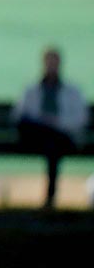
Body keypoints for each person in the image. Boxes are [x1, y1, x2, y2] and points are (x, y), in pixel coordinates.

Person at [12, 46, 87, 208]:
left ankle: (50, 199)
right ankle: (50, 199)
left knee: (53, 145)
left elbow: (80, 119)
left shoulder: (72, 91)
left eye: (54, 62)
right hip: (40, 138)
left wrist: (55, 122)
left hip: (62, 139)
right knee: (47, 140)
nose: (51, 65)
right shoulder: (31, 90)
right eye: (49, 61)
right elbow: (19, 117)